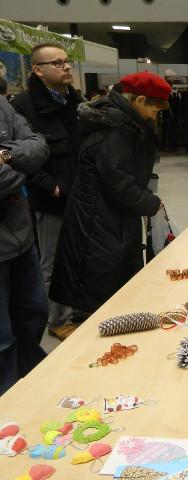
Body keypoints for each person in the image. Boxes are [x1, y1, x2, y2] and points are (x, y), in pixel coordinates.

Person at [49, 72, 167, 318]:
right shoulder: (115, 130)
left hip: (109, 218)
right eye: (154, 110)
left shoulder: (122, 123)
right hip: (99, 221)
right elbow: (118, 184)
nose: (153, 117)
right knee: (101, 287)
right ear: (140, 100)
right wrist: (150, 202)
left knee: (113, 282)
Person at [11, 42, 83, 341]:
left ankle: (77, 310)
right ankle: (57, 319)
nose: (65, 67)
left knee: (79, 255)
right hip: (52, 199)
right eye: (56, 63)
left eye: (66, 61)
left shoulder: (74, 102)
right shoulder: (23, 107)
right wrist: (49, 185)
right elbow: (16, 155)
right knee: (53, 261)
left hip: (80, 194)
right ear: (37, 70)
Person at [0, 93, 49, 395]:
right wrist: (23, 167)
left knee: (34, 313)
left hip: (21, 237)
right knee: (2, 337)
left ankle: (32, 387)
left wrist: (5, 155)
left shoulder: (3, 106)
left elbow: (38, 147)